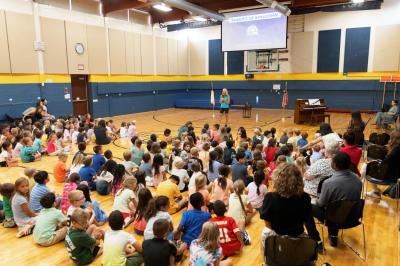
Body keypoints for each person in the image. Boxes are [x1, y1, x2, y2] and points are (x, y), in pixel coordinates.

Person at [260, 163, 323, 253]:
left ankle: (267, 261)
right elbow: (306, 219)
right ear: (299, 180)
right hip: (298, 236)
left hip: (276, 237)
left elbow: (267, 224)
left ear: (277, 179)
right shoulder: (305, 197)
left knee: (265, 234)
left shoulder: (270, 197)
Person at [312, 152, 362, 247]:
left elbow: (321, 204)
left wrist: (315, 199)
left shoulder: (328, 183)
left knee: (307, 206)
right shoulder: (357, 179)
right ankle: (333, 235)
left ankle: (316, 239)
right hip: (353, 216)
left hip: (334, 218)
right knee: (338, 204)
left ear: (334, 164)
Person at [365, 130, 400, 199]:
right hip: (396, 172)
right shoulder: (396, 148)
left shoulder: (395, 150)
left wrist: (373, 161)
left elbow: (385, 162)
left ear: (392, 138)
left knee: (366, 167)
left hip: (390, 175)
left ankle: (376, 191)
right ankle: (376, 191)